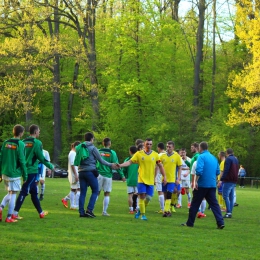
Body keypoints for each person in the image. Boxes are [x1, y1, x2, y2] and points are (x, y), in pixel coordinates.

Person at [119, 138, 166, 221]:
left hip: (151, 180)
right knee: (142, 196)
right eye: (147, 144)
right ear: (144, 144)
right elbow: (130, 162)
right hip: (141, 179)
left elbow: (160, 166)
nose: (149, 146)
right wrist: (120, 165)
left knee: (148, 198)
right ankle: (143, 215)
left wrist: (164, 176)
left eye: (150, 144)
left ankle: (139, 211)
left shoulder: (155, 155)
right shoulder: (139, 154)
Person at [13, 124, 54, 219]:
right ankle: (14, 213)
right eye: (39, 131)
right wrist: (50, 166)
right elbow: (41, 158)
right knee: (24, 191)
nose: (39, 132)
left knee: (34, 192)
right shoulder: (37, 143)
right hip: (32, 170)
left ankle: (41, 212)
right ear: (35, 132)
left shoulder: (23, 142)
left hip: (24, 169)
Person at [181, 142, 224, 229]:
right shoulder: (214, 158)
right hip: (211, 185)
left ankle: (190, 223)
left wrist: (195, 181)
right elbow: (218, 172)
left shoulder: (201, 157)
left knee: (195, 204)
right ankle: (220, 222)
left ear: (200, 148)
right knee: (214, 205)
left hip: (202, 184)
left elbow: (199, 170)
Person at [76, 132, 118, 218]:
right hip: (90, 172)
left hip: (81, 172)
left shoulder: (80, 147)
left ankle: (81, 212)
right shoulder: (93, 148)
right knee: (95, 190)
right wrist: (111, 165)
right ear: (92, 139)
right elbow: (101, 160)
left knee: (83, 192)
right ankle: (89, 210)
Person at [0, 125, 27, 223]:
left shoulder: (6, 143)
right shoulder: (20, 144)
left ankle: (0, 208)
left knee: (9, 192)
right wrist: (25, 175)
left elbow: (1, 157)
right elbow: (22, 161)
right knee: (13, 193)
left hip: (5, 171)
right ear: (20, 133)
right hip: (14, 173)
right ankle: (9, 217)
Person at [97, 137, 126, 216]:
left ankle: (90, 209)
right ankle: (104, 211)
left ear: (103, 143)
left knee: (96, 193)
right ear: (110, 144)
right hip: (108, 175)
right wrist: (122, 175)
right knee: (107, 193)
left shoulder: (98, 151)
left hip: (99, 174)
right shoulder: (112, 153)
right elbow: (117, 165)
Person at [159, 141, 182, 217]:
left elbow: (180, 167)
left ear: (173, 148)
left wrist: (178, 178)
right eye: (167, 147)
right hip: (164, 179)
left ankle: (165, 211)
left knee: (169, 193)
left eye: (170, 147)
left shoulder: (177, 156)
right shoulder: (162, 156)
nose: (168, 148)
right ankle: (168, 211)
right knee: (165, 194)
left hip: (172, 179)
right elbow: (158, 165)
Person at [219, 148, 239, 218]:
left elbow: (226, 170)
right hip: (234, 179)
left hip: (228, 180)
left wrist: (221, 179)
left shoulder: (228, 159)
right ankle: (230, 212)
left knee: (225, 196)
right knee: (231, 196)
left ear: (227, 153)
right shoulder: (236, 159)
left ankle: (228, 212)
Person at [123, 146, 139, 214]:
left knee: (130, 195)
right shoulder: (138, 160)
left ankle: (131, 209)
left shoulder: (127, 160)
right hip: (138, 180)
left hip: (130, 180)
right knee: (138, 195)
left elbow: (124, 169)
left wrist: (125, 176)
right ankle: (137, 208)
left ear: (130, 151)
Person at [67, 141, 81, 209]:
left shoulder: (72, 153)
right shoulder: (72, 153)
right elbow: (72, 165)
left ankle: (72, 205)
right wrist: (76, 174)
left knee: (73, 189)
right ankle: (76, 204)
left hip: (74, 173)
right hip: (75, 173)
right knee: (78, 189)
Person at [155, 142, 166, 214]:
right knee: (166, 192)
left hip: (159, 175)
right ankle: (167, 207)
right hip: (167, 175)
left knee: (160, 191)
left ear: (158, 148)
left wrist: (154, 176)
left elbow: (156, 166)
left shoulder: (158, 156)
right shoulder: (167, 154)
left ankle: (162, 209)